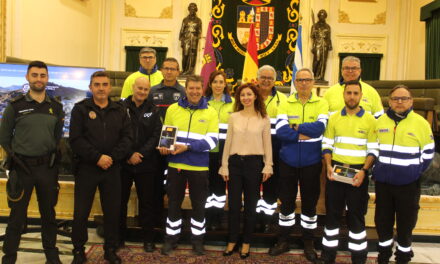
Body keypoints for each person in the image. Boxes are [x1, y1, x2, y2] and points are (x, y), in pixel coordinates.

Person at [0, 61, 64, 264]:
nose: (39, 79)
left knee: (49, 216)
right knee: (17, 218)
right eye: (34, 75)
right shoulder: (15, 106)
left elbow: (57, 137)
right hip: (22, 169)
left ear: (47, 78)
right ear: (27, 78)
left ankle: (52, 257)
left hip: (47, 169)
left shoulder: (56, 107)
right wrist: (15, 158)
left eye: (42, 75)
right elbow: (3, 137)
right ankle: (9, 258)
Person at [69, 71, 132, 264]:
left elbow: (127, 138)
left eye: (105, 84)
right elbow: (76, 139)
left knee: (112, 212)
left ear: (110, 88)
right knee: (81, 212)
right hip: (87, 168)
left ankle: (110, 250)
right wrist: (97, 158)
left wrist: (111, 158)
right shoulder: (80, 110)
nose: (101, 88)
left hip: (112, 168)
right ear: (91, 88)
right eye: (97, 85)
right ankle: (79, 251)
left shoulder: (119, 110)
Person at [269, 68, 329, 262]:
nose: (304, 83)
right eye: (300, 80)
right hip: (288, 160)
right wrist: (304, 132)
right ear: (295, 82)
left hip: (312, 162)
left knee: (309, 204)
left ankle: (308, 242)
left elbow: (320, 128)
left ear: (313, 82)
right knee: (286, 202)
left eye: (308, 80)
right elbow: (281, 132)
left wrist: (294, 128)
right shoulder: (285, 103)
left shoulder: (322, 103)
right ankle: (283, 239)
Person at [318, 81, 378, 264]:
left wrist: (364, 171)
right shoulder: (334, 118)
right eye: (348, 93)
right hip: (335, 171)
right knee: (332, 216)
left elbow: (373, 150)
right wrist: (328, 166)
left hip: (358, 174)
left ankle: (359, 258)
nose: (352, 96)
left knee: (356, 217)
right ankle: (328, 256)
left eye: (355, 93)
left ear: (360, 96)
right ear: (343, 95)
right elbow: (327, 145)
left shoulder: (370, 120)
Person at [373, 85, 434, 264]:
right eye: (395, 99)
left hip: (408, 184)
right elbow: (374, 149)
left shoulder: (421, 123)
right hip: (383, 183)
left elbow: (428, 153)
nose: (399, 102)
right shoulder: (380, 122)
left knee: (406, 223)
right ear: (389, 101)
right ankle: (383, 254)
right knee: (382, 221)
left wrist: (414, 171)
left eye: (404, 98)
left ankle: (403, 255)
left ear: (411, 101)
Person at [158, 75, 218, 256]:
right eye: (191, 88)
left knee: (199, 206)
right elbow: (166, 136)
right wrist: (164, 147)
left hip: (199, 168)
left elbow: (212, 141)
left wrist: (188, 147)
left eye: (198, 88)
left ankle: (198, 241)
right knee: (174, 204)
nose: (194, 91)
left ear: (202, 89)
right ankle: (171, 240)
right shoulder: (173, 109)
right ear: (186, 89)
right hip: (175, 165)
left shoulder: (211, 112)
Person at [220, 83, 273, 259]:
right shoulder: (233, 117)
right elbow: (227, 142)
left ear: (255, 96)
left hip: (254, 164)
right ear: (239, 98)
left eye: (249, 94)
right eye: (242, 95)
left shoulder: (264, 118)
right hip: (235, 164)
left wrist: (268, 165)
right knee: (234, 205)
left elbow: (267, 144)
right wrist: (224, 165)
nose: (246, 98)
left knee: (251, 205)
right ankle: (232, 240)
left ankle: (246, 242)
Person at [118, 76, 161, 252]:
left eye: (145, 89)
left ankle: (148, 240)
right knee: (120, 202)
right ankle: (119, 238)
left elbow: (155, 135)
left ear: (148, 91)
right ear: (133, 88)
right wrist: (128, 154)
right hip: (124, 163)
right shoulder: (120, 108)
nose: (142, 92)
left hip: (146, 163)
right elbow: (117, 133)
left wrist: (140, 154)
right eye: (139, 88)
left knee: (147, 204)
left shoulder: (154, 109)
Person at [148, 57, 186, 228]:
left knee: (174, 187)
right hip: (154, 146)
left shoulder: (184, 93)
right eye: (166, 68)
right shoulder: (152, 91)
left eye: (173, 69)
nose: (169, 71)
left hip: (176, 148)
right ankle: (155, 219)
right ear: (161, 70)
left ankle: (171, 219)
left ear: (178, 72)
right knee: (155, 185)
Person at [255, 65, 287, 232]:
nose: (266, 80)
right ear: (257, 79)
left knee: (271, 185)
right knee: (252, 184)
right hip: (252, 147)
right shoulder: (249, 96)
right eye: (263, 77)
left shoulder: (284, 99)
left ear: (275, 80)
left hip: (275, 147)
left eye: (270, 78)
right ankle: (252, 217)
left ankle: (267, 219)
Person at [204, 70, 234, 231]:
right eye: (215, 81)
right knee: (206, 185)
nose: (218, 85)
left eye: (221, 82)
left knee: (220, 186)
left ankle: (217, 216)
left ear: (225, 84)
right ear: (210, 84)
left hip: (224, 151)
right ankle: (207, 215)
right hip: (205, 151)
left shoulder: (234, 103)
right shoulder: (202, 102)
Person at [179, 3, 202, 75]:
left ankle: (191, 71)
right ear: (189, 10)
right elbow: (181, 30)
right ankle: (184, 70)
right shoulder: (185, 20)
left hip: (194, 39)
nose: (192, 11)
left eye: (194, 9)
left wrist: (197, 37)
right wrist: (182, 40)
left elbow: (199, 31)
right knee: (185, 55)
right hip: (186, 39)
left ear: (195, 10)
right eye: (191, 9)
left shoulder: (198, 20)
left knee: (193, 56)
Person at [311, 9, 332, 81]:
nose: (322, 17)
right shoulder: (315, 26)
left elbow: (329, 37)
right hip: (317, 44)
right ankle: (314, 76)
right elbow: (312, 36)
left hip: (325, 44)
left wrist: (330, 45)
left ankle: (321, 77)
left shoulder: (327, 26)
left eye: (323, 16)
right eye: (320, 16)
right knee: (317, 60)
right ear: (318, 16)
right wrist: (314, 32)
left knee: (323, 61)